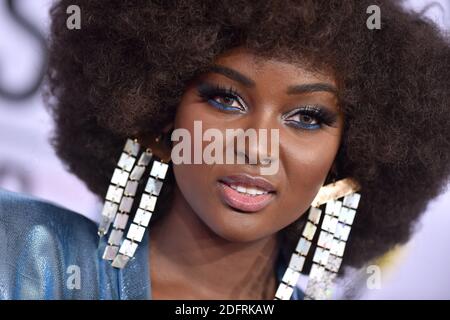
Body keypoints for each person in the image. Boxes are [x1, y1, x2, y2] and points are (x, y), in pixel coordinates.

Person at [1, 0, 449, 300]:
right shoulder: (24, 251)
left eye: (307, 118)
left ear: (345, 158)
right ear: (159, 116)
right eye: (224, 99)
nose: (257, 147)